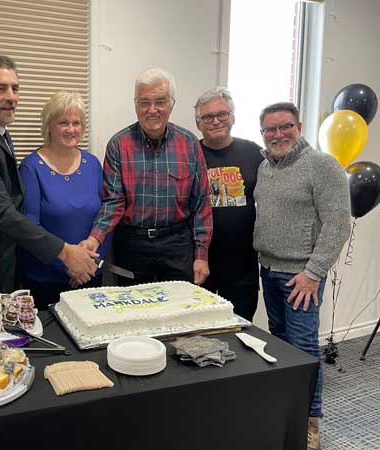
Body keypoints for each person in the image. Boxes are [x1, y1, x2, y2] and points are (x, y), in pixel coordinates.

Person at [0, 54, 98, 299]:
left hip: (4, 266)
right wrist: (66, 253)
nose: (11, 97)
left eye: (15, 88)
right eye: (1, 88)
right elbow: (4, 213)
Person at [254, 102, 351, 450]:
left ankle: (310, 425)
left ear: (299, 126)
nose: (278, 134)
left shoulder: (322, 165)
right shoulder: (266, 167)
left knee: (305, 351)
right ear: (262, 133)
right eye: (270, 129)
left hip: (301, 279)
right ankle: (285, 414)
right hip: (269, 270)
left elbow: (339, 224)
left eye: (285, 126)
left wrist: (312, 273)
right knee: (280, 347)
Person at [81, 67, 212, 286]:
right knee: (132, 312)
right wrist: (96, 237)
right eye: (144, 102)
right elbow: (113, 202)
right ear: (136, 105)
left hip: (177, 244)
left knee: (178, 312)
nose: (152, 110)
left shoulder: (189, 143)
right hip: (133, 245)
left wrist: (201, 255)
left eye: (160, 101)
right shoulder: (118, 145)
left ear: (171, 104)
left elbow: (201, 204)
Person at [19, 92, 109, 309]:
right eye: (63, 123)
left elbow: (106, 216)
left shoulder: (92, 164)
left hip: (90, 276)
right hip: (46, 280)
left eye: (76, 123)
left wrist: (89, 265)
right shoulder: (31, 167)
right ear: (49, 125)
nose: (71, 129)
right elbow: (31, 228)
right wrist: (70, 265)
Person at [194, 87, 263, 321]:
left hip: (242, 264)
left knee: (241, 329)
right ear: (198, 124)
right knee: (198, 331)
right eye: (207, 117)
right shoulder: (189, 154)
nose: (216, 121)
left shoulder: (253, 152)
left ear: (232, 117)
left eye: (222, 114)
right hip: (199, 261)